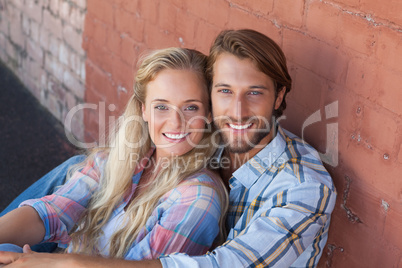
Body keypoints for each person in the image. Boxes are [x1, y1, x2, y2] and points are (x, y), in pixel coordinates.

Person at [0, 29, 336, 267]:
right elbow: (57, 208)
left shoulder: (301, 186)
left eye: (255, 93)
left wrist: (65, 264)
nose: (236, 110)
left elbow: (226, 265)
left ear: (279, 97)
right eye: (224, 91)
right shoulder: (202, 144)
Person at [0, 48, 228, 260]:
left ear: (209, 113)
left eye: (191, 107)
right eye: (161, 106)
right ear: (143, 110)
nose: (176, 122)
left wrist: (56, 263)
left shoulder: (199, 197)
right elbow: (53, 212)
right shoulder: (113, 162)